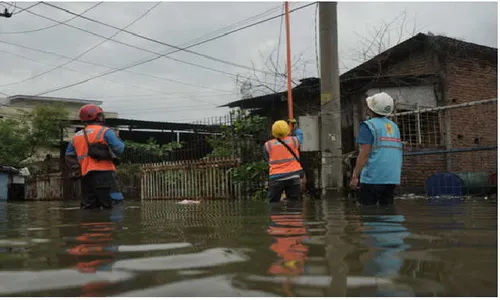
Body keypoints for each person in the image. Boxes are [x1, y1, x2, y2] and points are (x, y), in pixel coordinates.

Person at [66, 104, 125, 209]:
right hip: (105, 174)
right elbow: (120, 149)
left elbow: (69, 155)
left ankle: (89, 225)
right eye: (100, 115)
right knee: (115, 205)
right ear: (97, 117)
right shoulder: (105, 131)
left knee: (89, 208)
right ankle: (114, 225)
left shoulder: (76, 136)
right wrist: (117, 137)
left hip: (85, 177)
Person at [350, 92, 403, 205]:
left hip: (372, 177)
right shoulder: (394, 127)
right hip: (392, 177)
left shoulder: (368, 125)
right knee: (388, 213)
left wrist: (355, 175)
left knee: (368, 213)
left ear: (370, 109)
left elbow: (365, 154)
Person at [264, 120, 304, 203]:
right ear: (287, 130)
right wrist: (295, 127)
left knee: (273, 204)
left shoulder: (268, 145)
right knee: (294, 204)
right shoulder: (294, 141)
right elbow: (300, 136)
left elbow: (267, 158)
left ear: (273, 132)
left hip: (276, 177)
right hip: (293, 176)